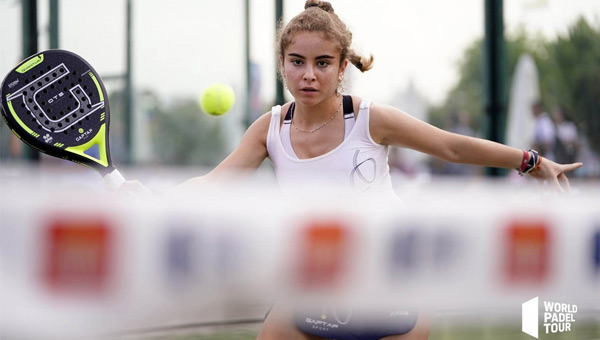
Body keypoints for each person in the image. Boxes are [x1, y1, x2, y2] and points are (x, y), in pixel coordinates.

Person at [123, 1, 582, 339]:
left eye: (323, 63)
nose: (309, 74)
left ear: (342, 67)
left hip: (395, 280)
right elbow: (213, 184)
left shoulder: (369, 118)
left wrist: (533, 162)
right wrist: (155, 200)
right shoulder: (269, 128)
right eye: (297, 62)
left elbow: (451, 147)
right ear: (283, 64)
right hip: (317, 281)